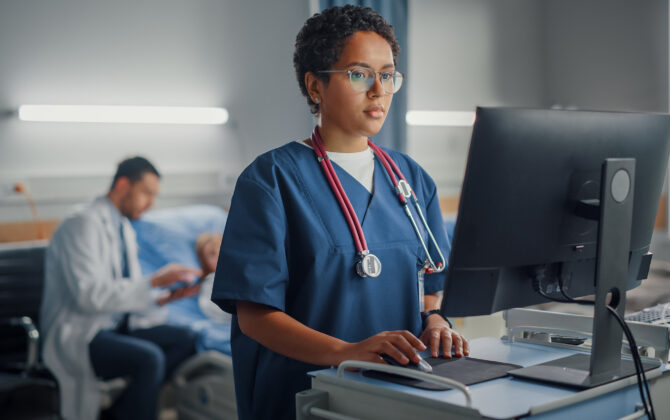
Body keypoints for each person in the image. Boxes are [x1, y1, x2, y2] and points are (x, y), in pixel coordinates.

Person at [211, 5, 469, 419]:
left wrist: (436, 323)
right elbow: (255, 317)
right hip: (306, 397)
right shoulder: (271, 179)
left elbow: (430, 289)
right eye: (359, 74)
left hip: (399, 395)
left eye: (387, 75)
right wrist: (346, 353)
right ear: (315, 86)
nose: (378, 89)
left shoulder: (412, 179)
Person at [40, 156, 203, 420]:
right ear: (123, 185)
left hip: (115, 324)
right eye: (147, 193)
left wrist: (163, 298)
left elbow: (126, 290)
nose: (151, 204)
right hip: (82, 333)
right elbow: (88, 296)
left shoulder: (123, 228)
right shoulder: (81, 224)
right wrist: (153, 281)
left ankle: (121, 412)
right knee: (149, 359)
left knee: (186, 339)